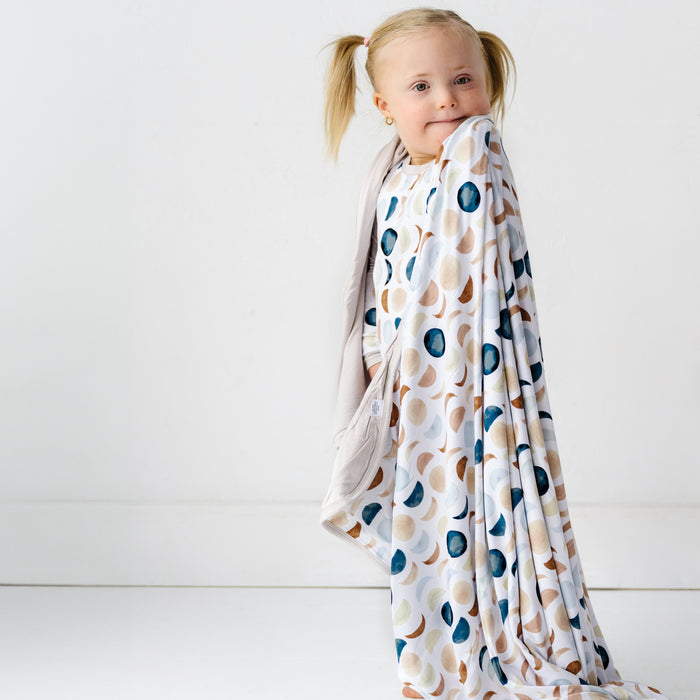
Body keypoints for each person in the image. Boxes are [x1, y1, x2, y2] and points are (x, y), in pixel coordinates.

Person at [320, 8, 668, 700]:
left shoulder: (476, 159)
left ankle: (490, 649)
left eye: (463, 80)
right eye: (421, 87)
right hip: (409, 388)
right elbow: (381, 282)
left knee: (473, 516)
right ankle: (437, 658)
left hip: (469, 384)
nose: (447, 100)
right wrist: (374, 362)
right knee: (424, 528)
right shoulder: (392, 180)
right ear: (384, 107)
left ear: (488, 87)